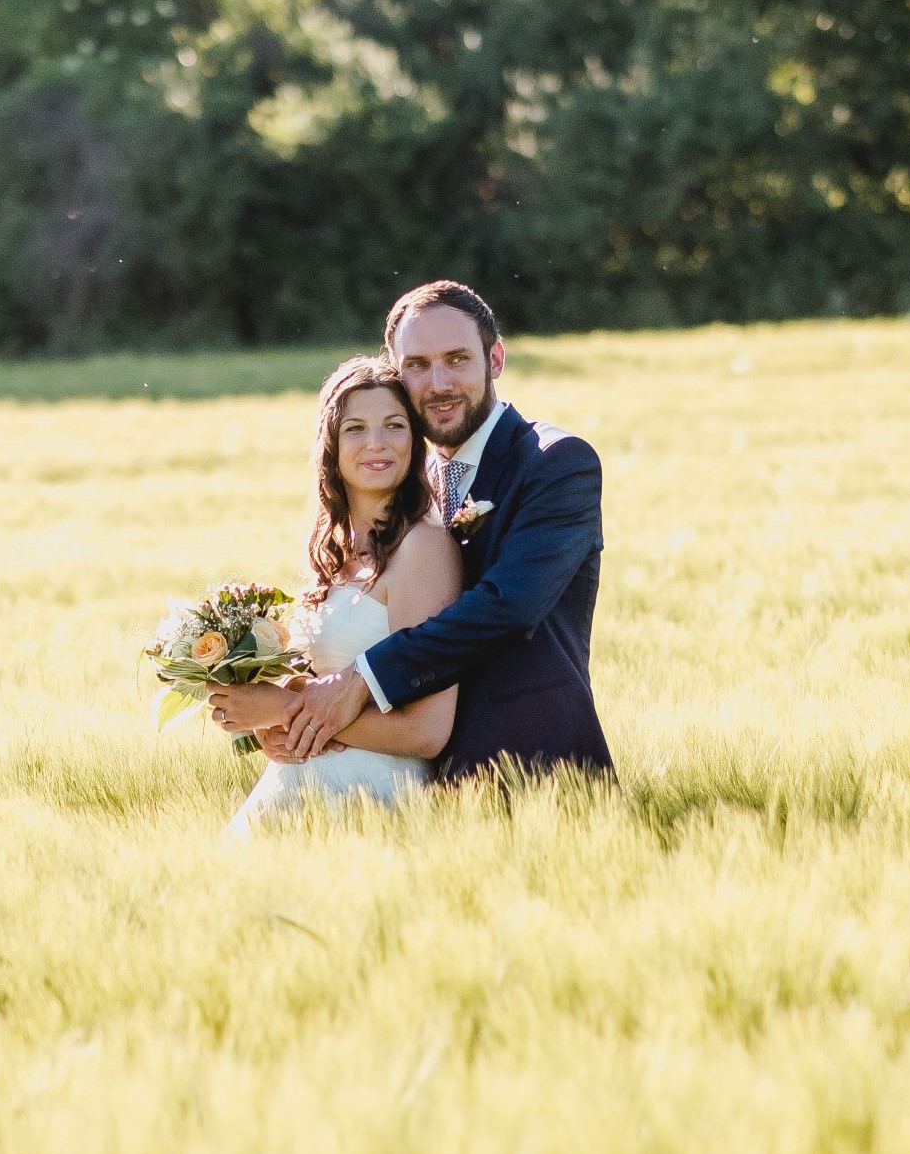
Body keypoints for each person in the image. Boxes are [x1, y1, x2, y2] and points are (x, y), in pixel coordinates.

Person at [230, 280, 613, 787]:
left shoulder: (554, 463)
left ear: (495, 359)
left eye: (457, 359)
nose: (438, 383)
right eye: (417, 365)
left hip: (533, 765)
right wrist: (294, 711)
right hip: (421, 780)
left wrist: (360, 680)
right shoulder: (406, 478)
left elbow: (510, 607)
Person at [211, 357, 461, 835]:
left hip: (374, 802)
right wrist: (272, 722)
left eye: (394, 425)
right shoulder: (331, 555)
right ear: (332, 445)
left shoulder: (423, 550)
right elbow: (325, 689)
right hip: (301, 794)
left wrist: (282, 708)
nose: (377, 442)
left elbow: (426, 732)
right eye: (356, 428)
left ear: (415, 440)